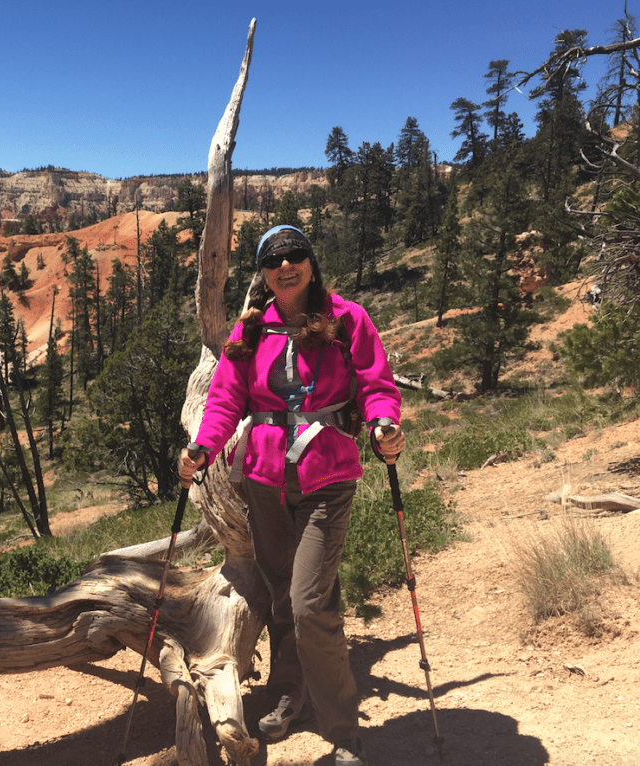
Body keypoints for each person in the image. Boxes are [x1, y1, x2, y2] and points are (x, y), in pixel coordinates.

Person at [178, 225, 403, 766]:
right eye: (274, 260)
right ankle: (289, 693)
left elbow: (377, 384)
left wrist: (384, 424)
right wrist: (202, 447)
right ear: (263, 272)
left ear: (310, 261)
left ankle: (342, 730)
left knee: (308, 603)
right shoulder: (251, 329)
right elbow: (227, 399)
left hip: (327, 476)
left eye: (295, 255)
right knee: (282, 593)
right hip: (263, 476)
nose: (286, 265)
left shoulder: (346, 318)